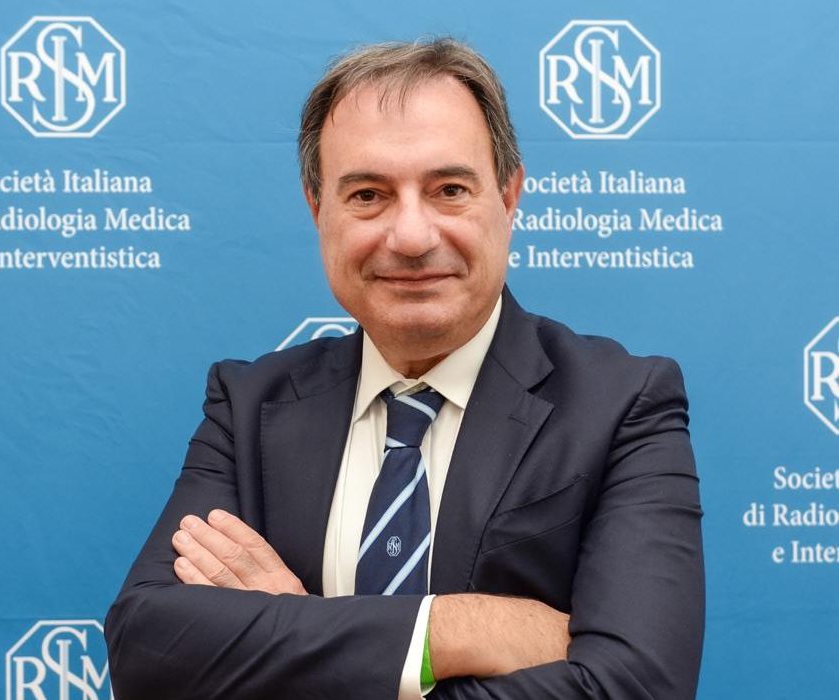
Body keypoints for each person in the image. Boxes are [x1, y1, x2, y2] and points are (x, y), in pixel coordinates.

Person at [105, 38, 704, 699]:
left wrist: (295, 638)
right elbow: (146, 652)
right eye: (368, 194)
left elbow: (636, 687)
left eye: (449, 190)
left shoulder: (622, 404)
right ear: (318, 209)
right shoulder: (248, 405)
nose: (413, 237)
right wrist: (453, 629)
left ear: (509, 196)